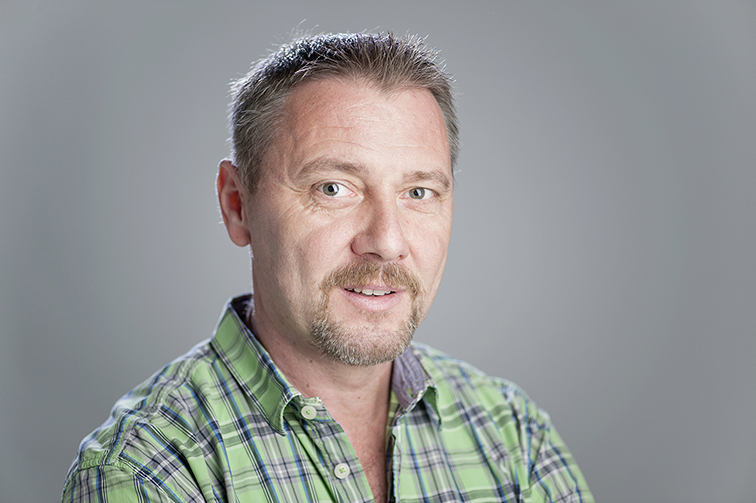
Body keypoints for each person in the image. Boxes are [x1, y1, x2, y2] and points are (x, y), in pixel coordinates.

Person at [62, 32, 592, 503]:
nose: (387, 242)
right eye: (333, 188)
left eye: (418, 192)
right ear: (237, 205)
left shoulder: (513, 435)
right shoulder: (147, 473)